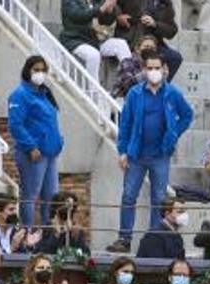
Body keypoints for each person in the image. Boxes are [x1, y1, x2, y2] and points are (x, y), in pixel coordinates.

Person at [111, 51, 193, 254]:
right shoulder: (135, 94)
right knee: (129, 196)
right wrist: (122, 151)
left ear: (164, 70)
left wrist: (173, 133)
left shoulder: (172, 93)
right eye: (150, 68)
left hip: (160, 155)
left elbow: (187, 115)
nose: (154, 72)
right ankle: (124, 238)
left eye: (157, 68)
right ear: (144, 70)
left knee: (158, 198)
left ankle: (154, 238)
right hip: (136, 155)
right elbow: (126, 124)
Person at [8, 56, 64, 229]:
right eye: (36, 70)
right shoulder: (20, 95)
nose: (40, 73)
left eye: (43, 70)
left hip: (50, 153)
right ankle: (27, 234)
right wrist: (31, 146)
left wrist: (58, 141)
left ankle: (48, 234)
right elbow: (15, 125)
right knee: (30, 195)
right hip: (33, 154)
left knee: (51, 196)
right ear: (27, 71)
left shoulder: (45, 93)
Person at [60, 0, 130, 83]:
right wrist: (102, 8)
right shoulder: (69, 1)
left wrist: (109, 11)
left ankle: (129, 80)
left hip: (93, 40)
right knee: (93, 55)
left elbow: (106, 21)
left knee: (121, 44)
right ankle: (94, 92)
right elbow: (79, 16)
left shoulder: (94, 1)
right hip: (75, 40)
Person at [112, 0, 183, 81]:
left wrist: (155, 24)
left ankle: (159, 87)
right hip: (132, 39)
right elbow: (113, 4)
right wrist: (118, 16)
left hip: (154, 44)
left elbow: (172, 30)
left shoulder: (165, 3)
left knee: (174, 57)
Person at [111, 35, 159, 99]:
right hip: (122, 100)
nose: (149, 49)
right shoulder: (127, 62)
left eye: (152, 48)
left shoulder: (156, 65)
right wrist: (145, 73)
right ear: (137, 49)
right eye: (146, 46)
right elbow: (127, 85)